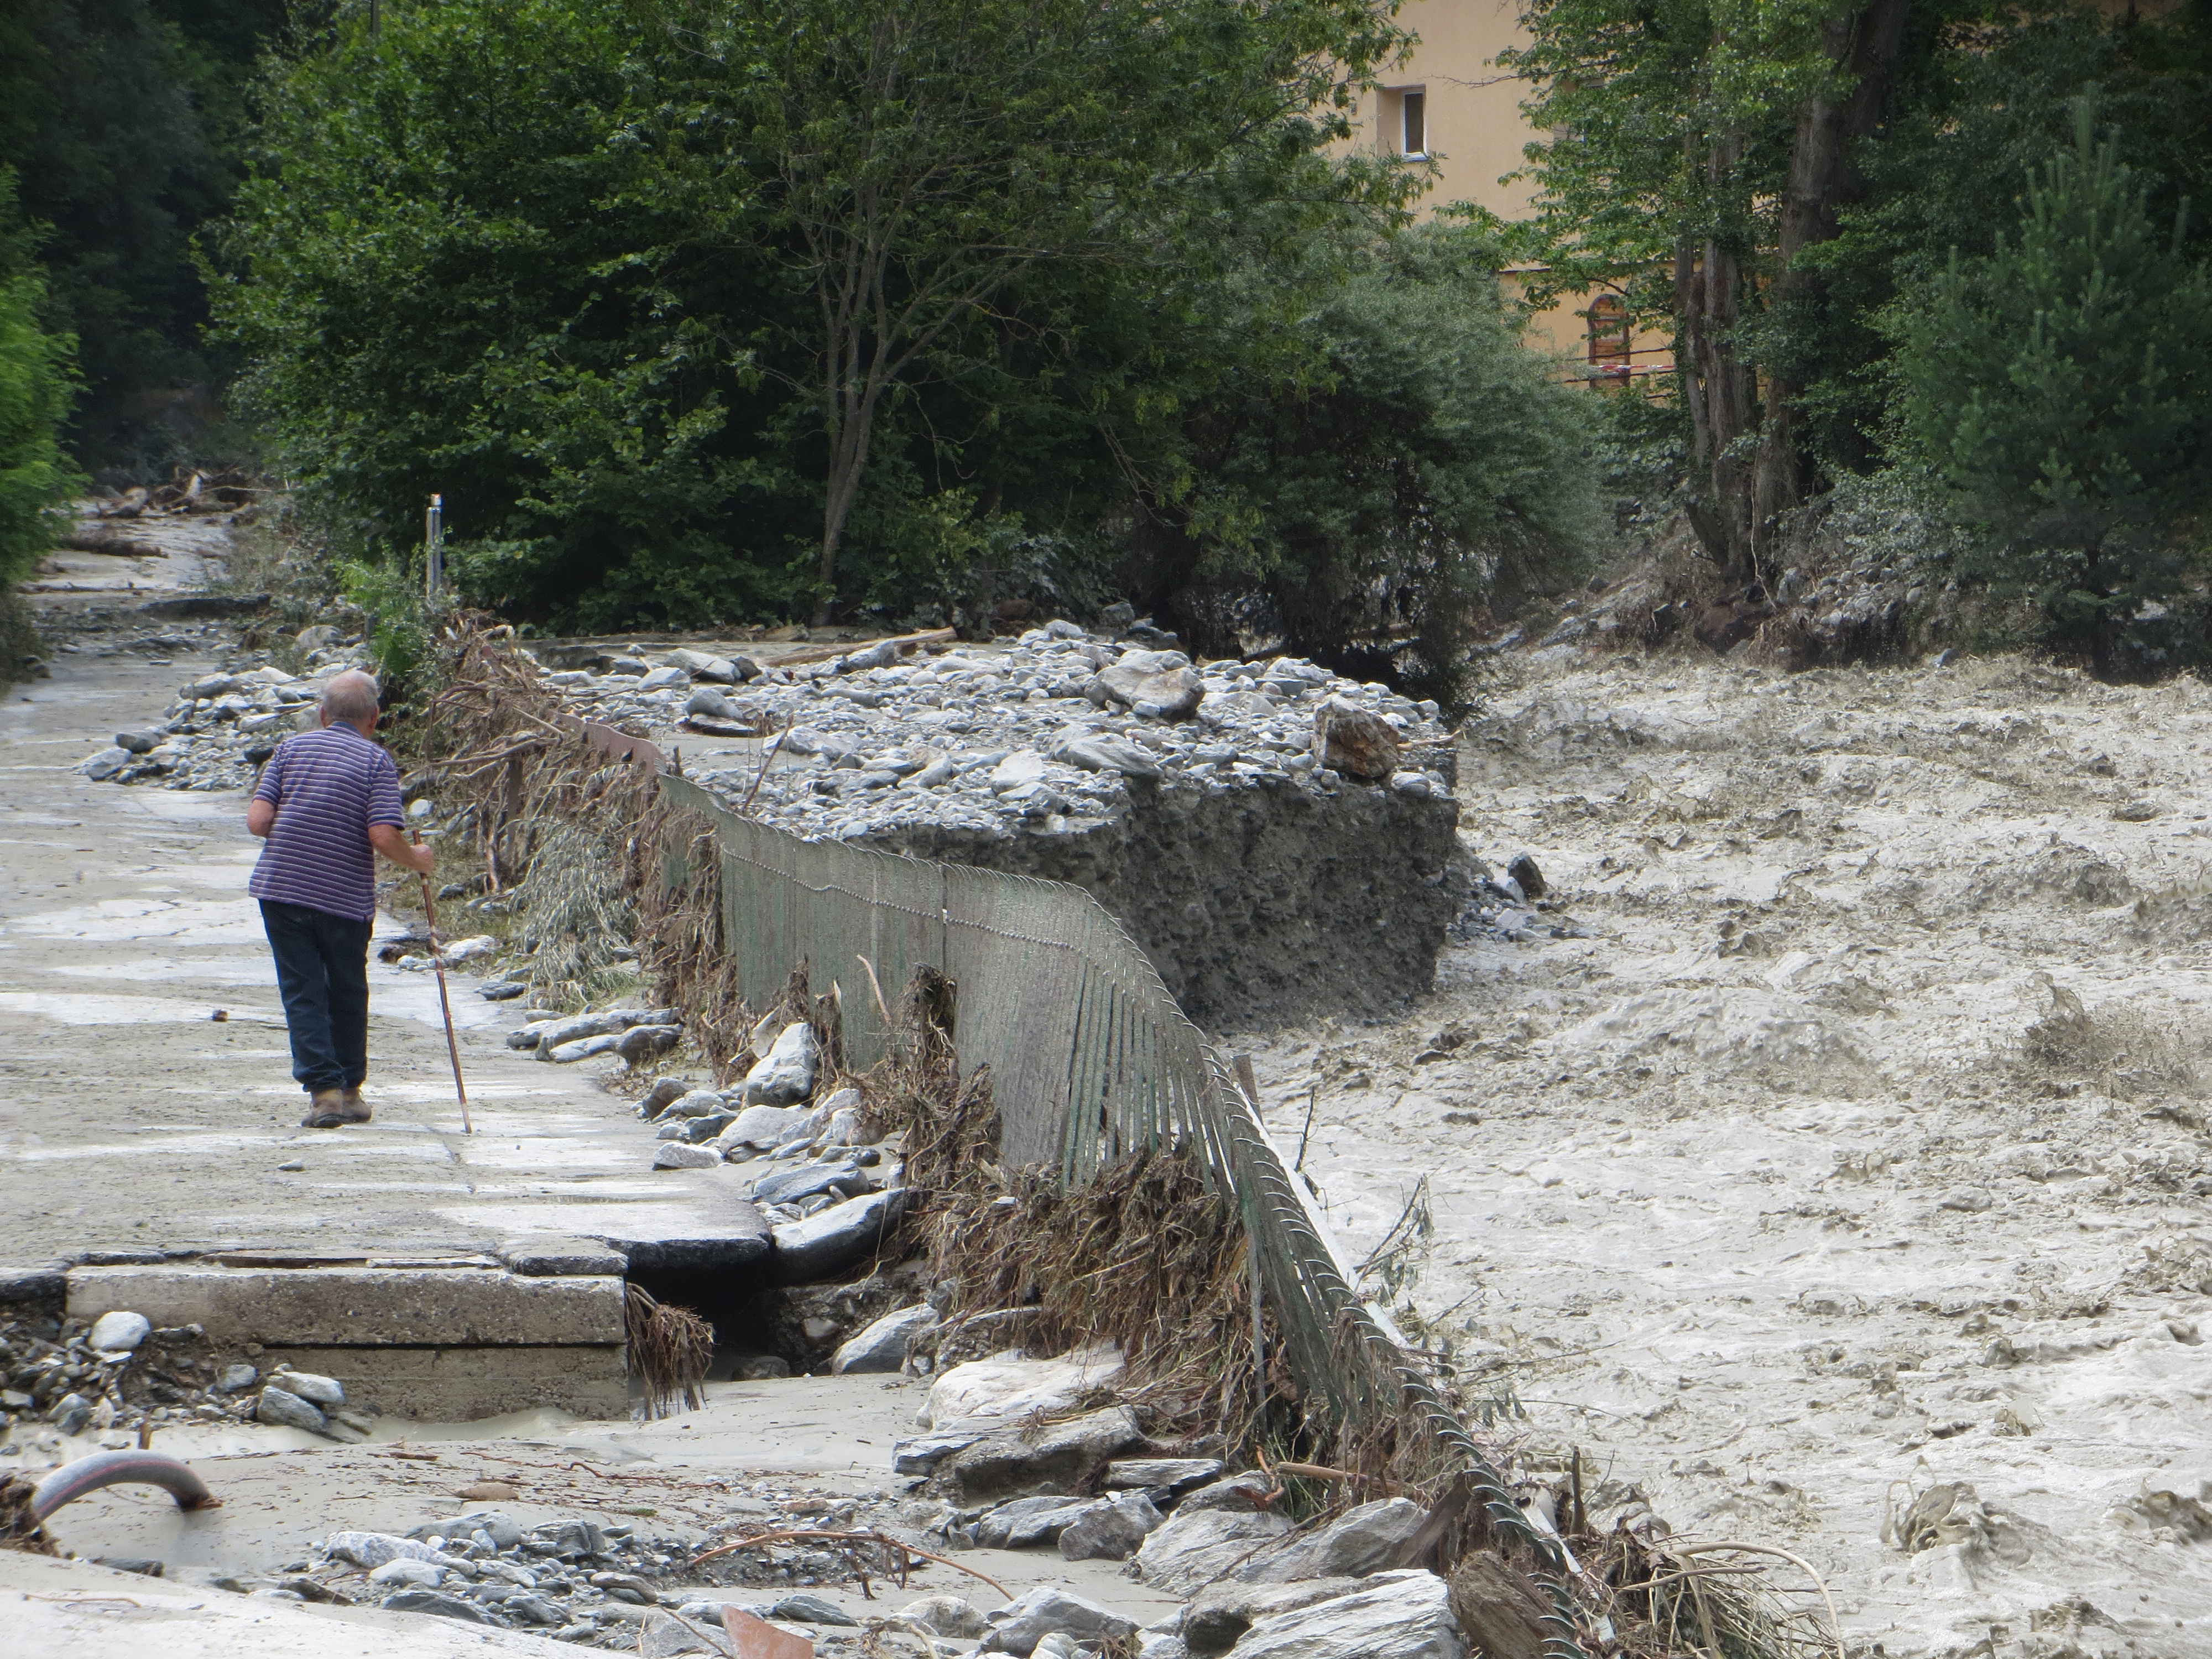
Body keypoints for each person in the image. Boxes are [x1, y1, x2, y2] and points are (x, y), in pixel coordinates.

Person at [245, 669, 434, 1128]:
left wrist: (297, 823)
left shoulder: (290, 750)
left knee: (303, 990)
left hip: (283, 890)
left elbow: (257, 821)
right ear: (374, 718)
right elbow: (382, 835)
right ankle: (349, 1091)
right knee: (347, 988)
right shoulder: (375, 761)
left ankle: (324, 1094)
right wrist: (419, 860)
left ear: (323, 715)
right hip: (344, 898)